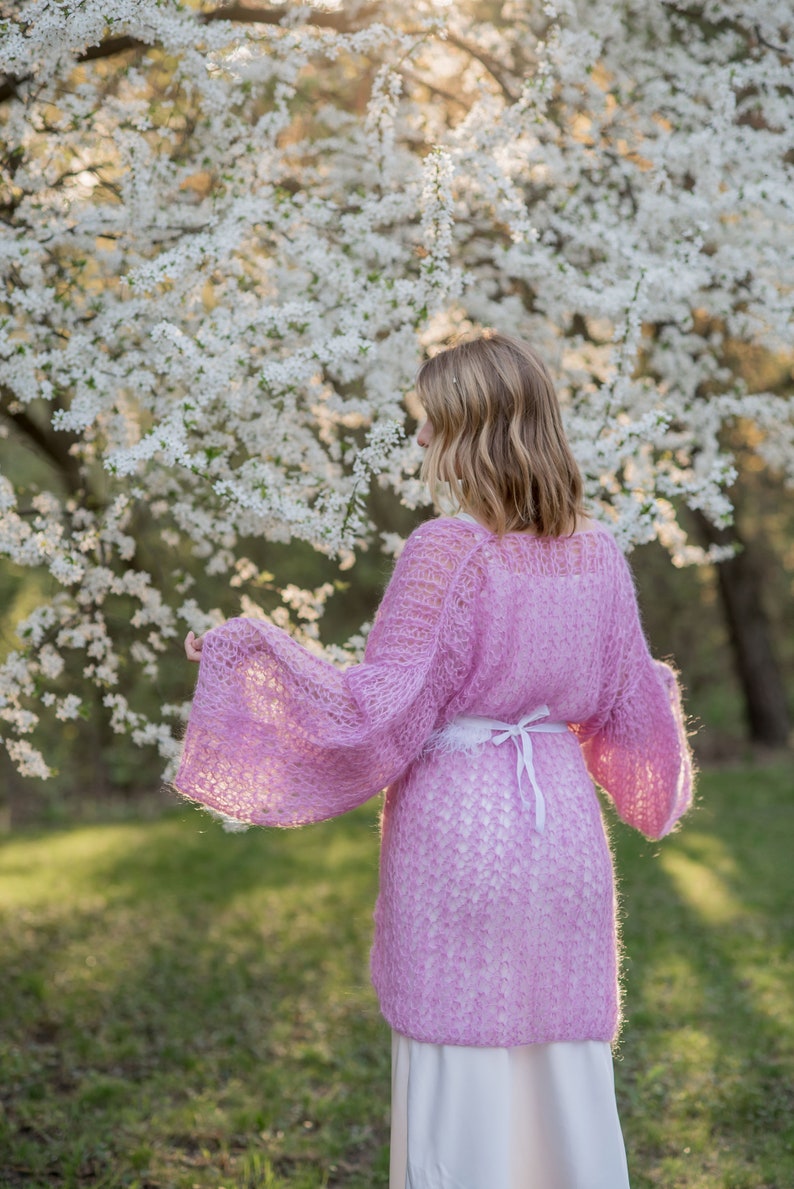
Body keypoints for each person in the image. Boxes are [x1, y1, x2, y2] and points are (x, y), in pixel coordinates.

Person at [177, 331, 693, 1189]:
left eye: (430, 423)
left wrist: (253, 651)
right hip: (561, 832)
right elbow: (629, 706)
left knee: (459, 1064)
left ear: (475, 430)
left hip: (460, 838)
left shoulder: (447, 552)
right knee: (562, 1063)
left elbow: (378, 713)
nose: (418, 442)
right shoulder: (599, 554)